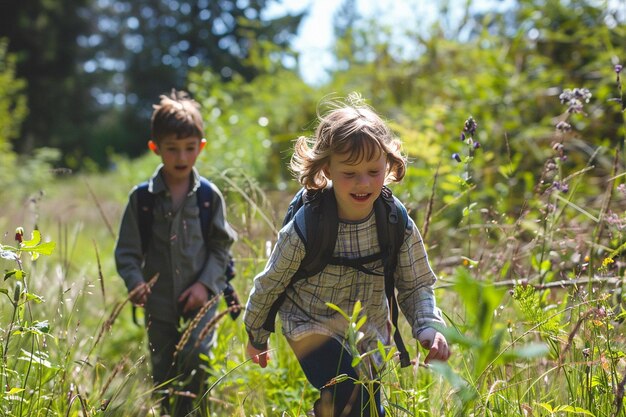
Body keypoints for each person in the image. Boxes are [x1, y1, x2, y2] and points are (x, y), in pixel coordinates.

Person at [243, 93, 450, 417]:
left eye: (373, 170)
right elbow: (271, 282)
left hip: (368, 333)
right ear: (326, 168)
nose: (363, 183)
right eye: (349, 173)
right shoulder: (309, 225)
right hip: (310, 325)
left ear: (388, 165)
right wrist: (256, 334)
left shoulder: (395, 221)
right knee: (351, 396)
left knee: (365, 408)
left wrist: (427, 326)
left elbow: (415, 283)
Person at [114, 89, 237, 416]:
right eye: (172, 149)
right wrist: (135, 282)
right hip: (160, 303)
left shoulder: (210, 196)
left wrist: (205, 285)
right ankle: (169, 411)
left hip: (202, 299)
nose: (181, 158)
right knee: (163, 367)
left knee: (197, 356)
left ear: (201, 147)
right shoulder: (142, 199)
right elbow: (127, 252)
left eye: (189, 149)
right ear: (156, 148)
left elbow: (221, 246)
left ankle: (196, 410)